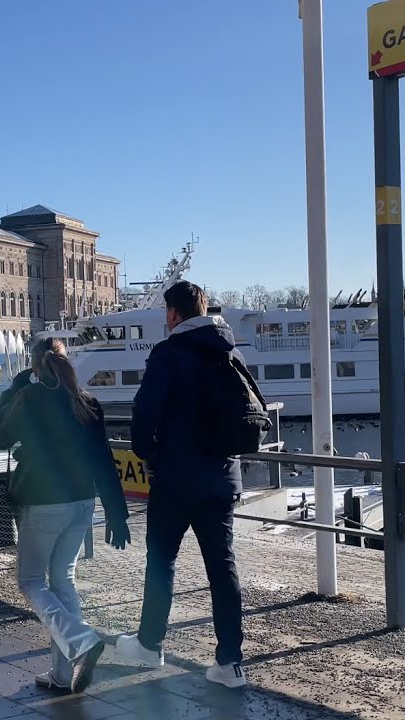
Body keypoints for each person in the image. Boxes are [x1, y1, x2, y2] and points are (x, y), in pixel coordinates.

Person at [115, 281, 249, 688]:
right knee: (222, 568)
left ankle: (149, 646)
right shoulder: (230, 350)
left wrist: (147, 453)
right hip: (222, 477)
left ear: (173, 314)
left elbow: (145, 413)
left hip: (175, 478)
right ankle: (230, 663)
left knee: (161, 562)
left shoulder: (168, 353)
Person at [0, 338, 130, 695]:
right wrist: (117, 513)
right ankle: (62, 675)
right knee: (62, 581)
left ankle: (82, 640)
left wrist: (15, 389)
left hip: (43, 502)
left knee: (31, 582)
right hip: (82, 503)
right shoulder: (86, 402)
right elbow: (103, 459)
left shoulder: (31, 399)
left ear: (35, 365)